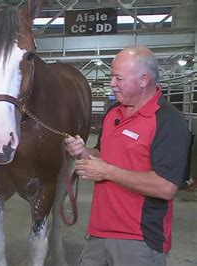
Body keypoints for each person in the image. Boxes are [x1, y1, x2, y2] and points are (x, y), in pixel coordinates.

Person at [64, 46, 191, 266]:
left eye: (118, 77)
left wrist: (108, 172)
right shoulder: (114, 112)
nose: (112, 83)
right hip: (98, 232)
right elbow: (102, 154)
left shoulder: (168, 121)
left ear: (143, 80)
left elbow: (166, 186)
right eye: (112, 76)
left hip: (138, 241)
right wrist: (82, 152)